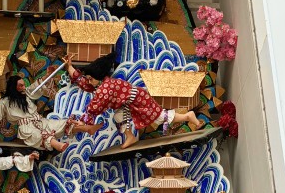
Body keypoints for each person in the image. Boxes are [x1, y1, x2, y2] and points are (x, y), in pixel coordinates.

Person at [63, 53, 203, 148]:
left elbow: (94, 107)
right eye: (88, 78)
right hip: (127, 103)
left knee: (160, 117)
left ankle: (188, 116)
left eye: (90, 78)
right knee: (118, 117)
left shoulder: (105, 88)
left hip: (139, 101)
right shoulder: (100, 84)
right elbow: (83, 83)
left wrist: (84, 121)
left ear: (98, 77)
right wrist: (69, 66)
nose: (88, 81)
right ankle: (130, 137)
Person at [0, 73, 101, 152]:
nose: (23, 87)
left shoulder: (26, 94)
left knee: (62, 124)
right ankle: (58, 145)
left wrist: (47, 75)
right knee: (40, 135)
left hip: (40, 121)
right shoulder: (5, 102)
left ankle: (87, 128)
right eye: (20, 85)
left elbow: (37, 87)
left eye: (23, 85)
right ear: (13, 87)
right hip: (27, 128)